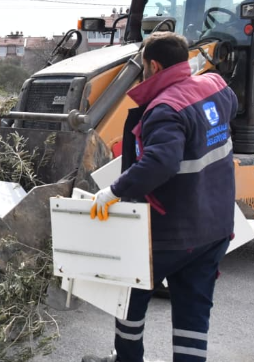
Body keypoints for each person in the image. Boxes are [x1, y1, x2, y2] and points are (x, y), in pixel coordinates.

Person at [83, 32, 237, 362]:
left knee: (131, 294)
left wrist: (114, 191)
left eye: (143, 68)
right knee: (194, 307)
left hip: (172, 230)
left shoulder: (164, 110)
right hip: (215, 227)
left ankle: (127, 358)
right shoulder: (216, 88)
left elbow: (162, 162)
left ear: (154, 65)